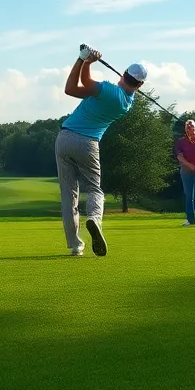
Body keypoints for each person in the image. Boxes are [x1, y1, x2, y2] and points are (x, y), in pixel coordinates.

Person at [57, 46, 145, 256]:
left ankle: (75, 246)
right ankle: (94, 218)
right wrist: (82, 60)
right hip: (88, 144)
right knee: (95, 189)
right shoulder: (126, 102)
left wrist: (86, 61)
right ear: (139, 85)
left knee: (69, 195)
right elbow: (71, 89)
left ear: (123, 75)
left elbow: (84, 82)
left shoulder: (111, 91)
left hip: (65, 138)